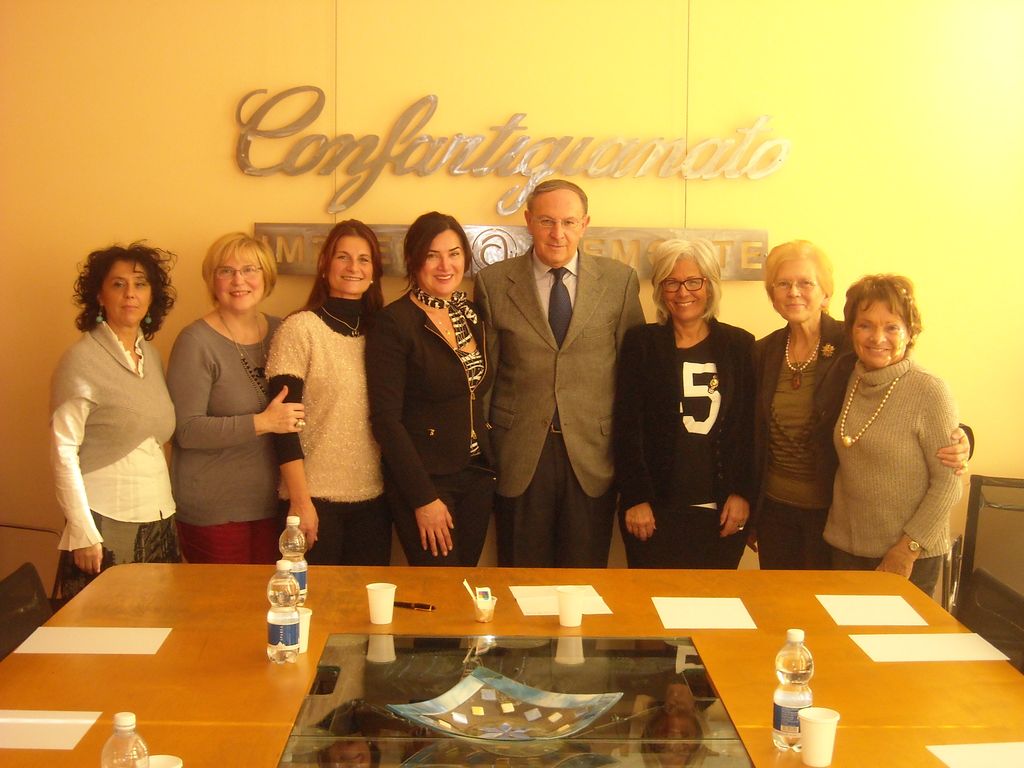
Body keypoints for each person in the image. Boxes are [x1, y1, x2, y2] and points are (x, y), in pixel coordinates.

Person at [750, 241, 971, 570]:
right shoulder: (763, 352)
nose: (794, 292)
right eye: (783, 283)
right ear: (772, 294)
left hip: (832, 512)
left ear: (826, 293)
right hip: (776, 510)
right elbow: (752, 432)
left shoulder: (854, 343)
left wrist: (963, 439)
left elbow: (903, 393)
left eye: (806, 283)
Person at [474, 179, 645, 567]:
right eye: (547, 221)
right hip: (519, 454)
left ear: (585, 224)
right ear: (528, 221)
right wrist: (484, 456)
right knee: (521, 578)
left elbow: (632, 380)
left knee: (583, 580)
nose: (558, 233)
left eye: (568, 222)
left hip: (592, 455)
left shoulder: (619, 282)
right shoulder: (493, 283)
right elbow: (484, 379)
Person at [50, 243, 180, 603]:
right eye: (118, 284)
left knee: (161, 623)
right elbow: (63, 451)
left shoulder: (151, 357)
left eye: (140, 284)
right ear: (100, 295)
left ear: (152, 295)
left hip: (160, 519)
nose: (130, 294)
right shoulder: (81, 359)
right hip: (104, 524)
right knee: (103, 629)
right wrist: (82, 531)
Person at [614, 239, 755, 569]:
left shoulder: (739, 345)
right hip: (653, 513)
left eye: (694, 281)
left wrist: (741, 493)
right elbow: (626, 427)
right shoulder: (641, 343)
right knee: (650, 599)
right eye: (671, 282)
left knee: (714, 600)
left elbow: (748, 428)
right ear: (660, 289)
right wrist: (636, 497)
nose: (683, 292)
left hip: (721, 512)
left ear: (710, 285)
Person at [366, 212, 495, 566]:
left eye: (454, 254)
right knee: (438, 587)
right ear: (413, 260)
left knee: (465, 582)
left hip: (476, 474)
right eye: (432, 255)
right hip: (427, 481)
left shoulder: (470, 314)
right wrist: (422, 498)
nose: (445, 266)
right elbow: (385, 421)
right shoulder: (394, 323)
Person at [167, 233, 305, 564]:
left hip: (272, 506)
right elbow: (185, 430)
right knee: (227, 598)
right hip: (214, 510)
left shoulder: (282, 330)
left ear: (266, 276)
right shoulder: (196, 341)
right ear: (212, 280)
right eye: (226, 271)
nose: (238, 281)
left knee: (272, 593)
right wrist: (262, 423)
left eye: (249, 270)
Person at [824, 274, 961, 594]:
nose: (877, 337)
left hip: (909, 555)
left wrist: (908, 548)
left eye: (891, 327)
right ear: (851, 330)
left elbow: (949, 483)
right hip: (845, 549)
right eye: (865, 325)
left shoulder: (929, 390)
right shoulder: (846, 378)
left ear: (910, 332)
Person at [265, 220, 390, 565]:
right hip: (312, 502)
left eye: (364, 259)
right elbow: (283, 426)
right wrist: (300, 501)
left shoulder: (384, 332)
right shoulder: (299, 328)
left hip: (374, 502)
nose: (353, 268)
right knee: (313, 599)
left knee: (368, 601)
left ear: (374, 271)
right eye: (343, 257)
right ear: (324, 265)